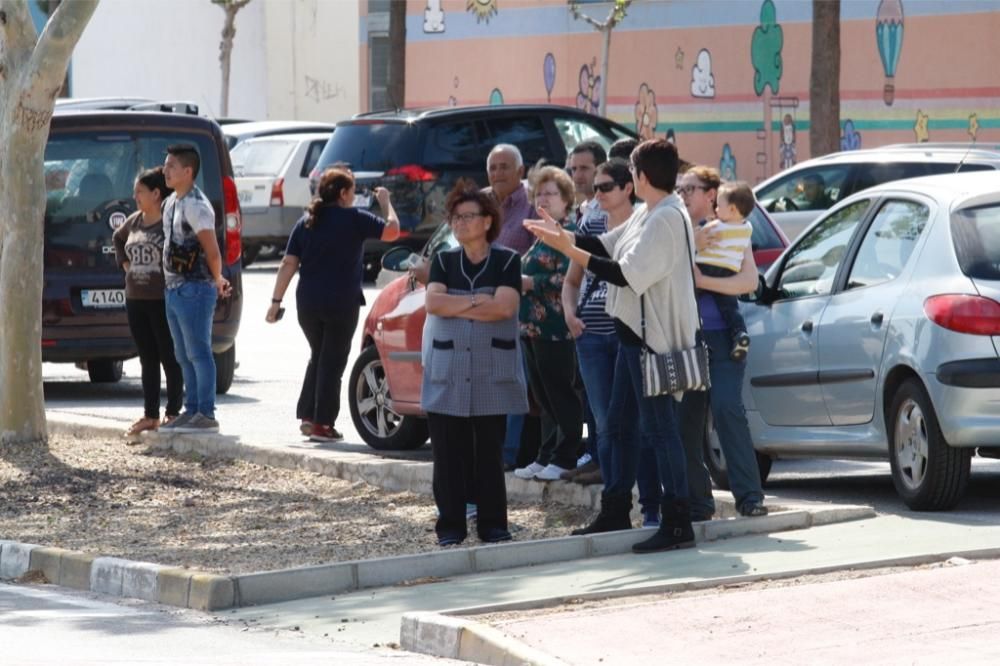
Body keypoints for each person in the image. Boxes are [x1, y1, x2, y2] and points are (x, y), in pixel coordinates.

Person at [525, 139, 701, 554]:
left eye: (631, 170)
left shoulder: (666, 218)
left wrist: (568, 248)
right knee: (618, 427)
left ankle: (678, 521)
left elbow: (625, 274)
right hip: (630, 339)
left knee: (660, 432)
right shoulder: (648, 212)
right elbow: (604, 245)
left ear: (640, 177)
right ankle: (616, 508)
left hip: (651, 341)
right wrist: (564, 236)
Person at [422, 181, 528, 546]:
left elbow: (505, 307)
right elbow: (434, 305)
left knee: (488, 454)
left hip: (489, 373)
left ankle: (493, 525)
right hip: (447, 371)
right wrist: (478, 301)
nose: (461, 224)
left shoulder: (507, 260)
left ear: (487, 221)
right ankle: (450, 528)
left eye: (469, 217)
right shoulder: (443, 260)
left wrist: (459, 301)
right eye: (455, 218)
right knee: (448, 456)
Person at [266, 168, 400, 442]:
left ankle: (308, 415)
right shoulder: (354, 218)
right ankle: (322, 424)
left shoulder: (306, 221)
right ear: (343, 194)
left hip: (308, 303)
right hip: (341, 302)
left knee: (319, 355)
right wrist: (386, 202)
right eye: (351, 191)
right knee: (332, 361)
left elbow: (288, 263)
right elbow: (392, 232)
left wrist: (275, 302)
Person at [677, 165, 768, 519]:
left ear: (711, 194)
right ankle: (699, 502)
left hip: (723, 339)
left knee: (728, 410)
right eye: (680, 189)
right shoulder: (678, 230)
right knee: (688, 419)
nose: (683, 195)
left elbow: (748, 281)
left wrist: (701, 281)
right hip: (686, 336)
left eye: (690, 189)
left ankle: (750, 497)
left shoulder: (730, 231)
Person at [512, 166, 582, 482]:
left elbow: (569, 277)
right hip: (531, 326)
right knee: (542, 396)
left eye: (551, 193)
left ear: (566, 200)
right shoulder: (540, 235)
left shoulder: (566, 233)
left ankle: (566, 456)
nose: (544, 198)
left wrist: (531, 282)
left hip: (556, 326)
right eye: (539, 193)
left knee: (560, 392)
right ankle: (546, 454)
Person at [159, 144, 232, 434]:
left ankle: (206, 411)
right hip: (173, 288)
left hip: (196, 288)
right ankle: (191, 410)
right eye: (166, 166)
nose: (165, 171)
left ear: (188, 172)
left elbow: (212, 250)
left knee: (199, 352)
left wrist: (217, 278)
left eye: (171, 166)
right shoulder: (172, 202)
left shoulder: (197, 205)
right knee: (182, 353)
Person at [112, 167, 182, 436]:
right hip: (136, 300)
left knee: (169, 356)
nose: (135, 197)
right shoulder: (134, 221)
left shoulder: (168, 221)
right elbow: (118, 238)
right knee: (147, 358)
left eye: (139, 192)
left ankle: (174, 411)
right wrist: (127, 266)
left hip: (161, 300)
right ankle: (150, 414)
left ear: (156, 194)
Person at [694, 180, 755, 361]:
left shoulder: (716, 226)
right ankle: (739, 333)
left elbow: (702, 234)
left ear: (733, 209)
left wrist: (701, 228)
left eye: (719, 206)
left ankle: (699, 339)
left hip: (706, 267)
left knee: (690, 300)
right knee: (729, 308)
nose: (716, 210)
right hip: (729, 271)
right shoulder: (747, 229)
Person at [488, 144, 535, 255]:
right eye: (492, 168)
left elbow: (539, 259)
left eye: (504, 167)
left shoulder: (534, 204)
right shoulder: (479, 203)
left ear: (520, 171)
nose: (498, 173)